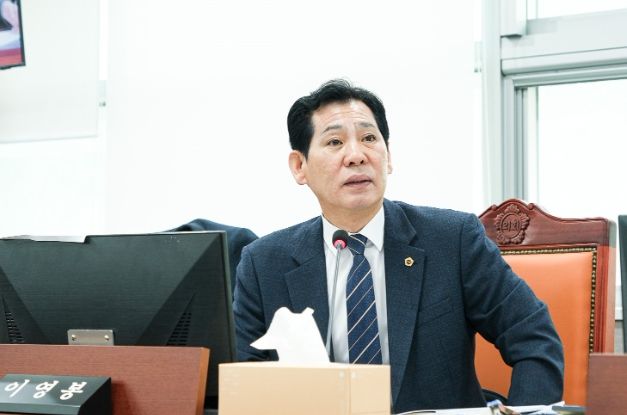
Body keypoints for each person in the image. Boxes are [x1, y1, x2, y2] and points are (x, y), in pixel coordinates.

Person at [233, 79, 563, 413]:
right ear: (299, 166)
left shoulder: (453, 240)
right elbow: (243, 383)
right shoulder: (264, 264)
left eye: (369, 138)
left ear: (388, 156)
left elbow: (534, 338)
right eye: (334, 142)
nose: (356, 156)